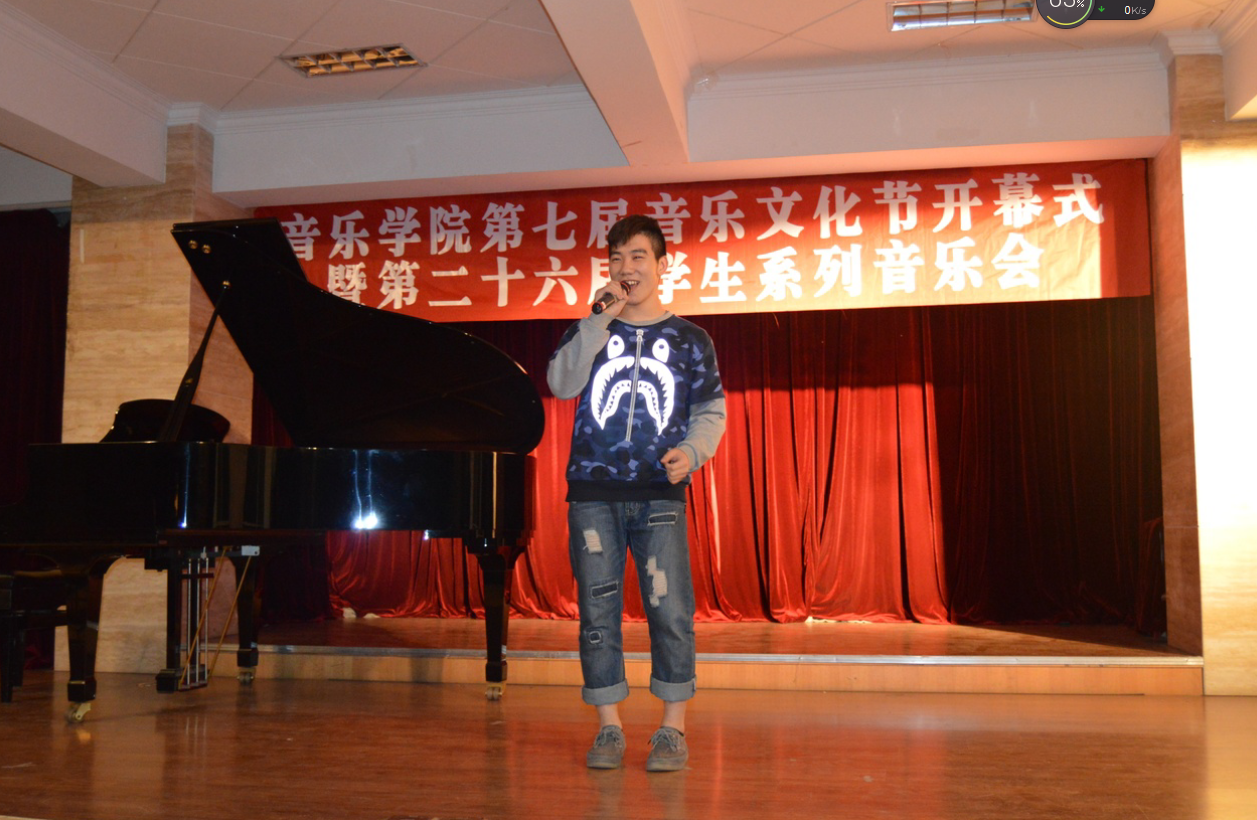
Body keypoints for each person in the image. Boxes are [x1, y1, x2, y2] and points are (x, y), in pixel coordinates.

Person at [547, 214, 726, 772]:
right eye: (617, 258)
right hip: (593, 494)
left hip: (659, 495)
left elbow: (710, 411)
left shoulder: (691, 339)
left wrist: (692, 452)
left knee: (669, 609)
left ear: (662, 264)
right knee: (597, 611)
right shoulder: (592, 329)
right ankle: (608, 727)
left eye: (638, 257)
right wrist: (597, 320)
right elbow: (560, 383)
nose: (627, 268)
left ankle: (672, 729)